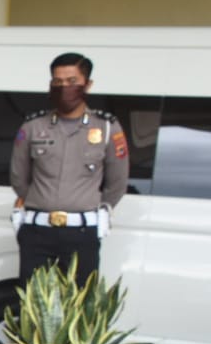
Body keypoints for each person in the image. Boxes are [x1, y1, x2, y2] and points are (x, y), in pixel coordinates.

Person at [10, 52, 129, 285]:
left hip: (82, 233)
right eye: (58, 82)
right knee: (33, 300)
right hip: (37, 231)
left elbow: (117, 183)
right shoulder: (33, 125)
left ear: (88, 84)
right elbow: (18, 178)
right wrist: (41, 200)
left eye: (72, 81)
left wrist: (89, 206)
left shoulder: (107, 127)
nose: (64, 88)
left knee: (80, 301)